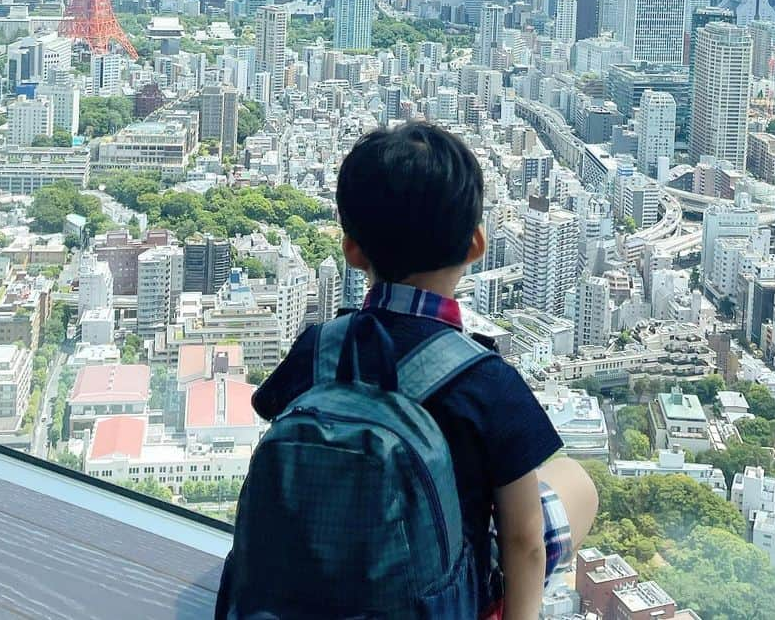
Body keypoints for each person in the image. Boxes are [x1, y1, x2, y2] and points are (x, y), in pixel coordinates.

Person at [253, 121, 599, 620]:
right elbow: (524, 542)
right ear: (475, 245)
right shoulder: (488, 382)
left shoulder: (320, 348)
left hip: (310, 581)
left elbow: (271, 416)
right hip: (435, 598)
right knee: (574, 482)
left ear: (352, 250)